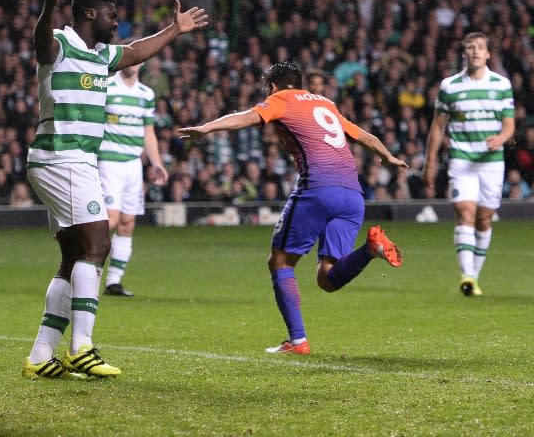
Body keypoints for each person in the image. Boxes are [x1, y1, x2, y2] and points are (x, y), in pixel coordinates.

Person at [23, 0, 207, 378]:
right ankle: (82, 347)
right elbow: (40, 45)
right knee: (97, 243)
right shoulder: (62, 43)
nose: (116, 22)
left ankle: (40, 355)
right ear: (89, 13)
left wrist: (175, 30)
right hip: (62, 158)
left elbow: (137, 51)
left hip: (74, 161)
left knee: (74, 257)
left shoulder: (101, 55)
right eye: (111, 14)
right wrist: (48, 6)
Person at [179, 61, 407, 355]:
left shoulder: (280, 99)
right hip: (352, 195)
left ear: (272, 86)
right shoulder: (325, 103)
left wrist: (207, 128)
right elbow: (364, 136)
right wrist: (387, 157)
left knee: (280, 262)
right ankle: (370, 249)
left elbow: (248, 117)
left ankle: (297, 341)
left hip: (317, 189)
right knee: (327, 277)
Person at [422, 32, 515, 297]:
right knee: (465, 212)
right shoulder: (449, 86)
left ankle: (474, 274)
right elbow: (438, 127)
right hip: (461, 159)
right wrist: (430, 164)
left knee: (484, 219)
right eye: (470, 48)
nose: (475, 51)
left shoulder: (501, 85)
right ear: (464, 53)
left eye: (480, 48)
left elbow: (509, 124)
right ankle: (467, 278)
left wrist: (502, 138)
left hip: (491, 163)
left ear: (488, 54)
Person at [98, 60, 169, 297]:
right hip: (109, 161)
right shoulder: (106, 87)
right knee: (110, 220)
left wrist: (156, 162)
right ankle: (88, 271)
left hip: (133, 165)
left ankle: (113, 282)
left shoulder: (146, 94)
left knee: (128, 222)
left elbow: (148, 132)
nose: (135, 63)